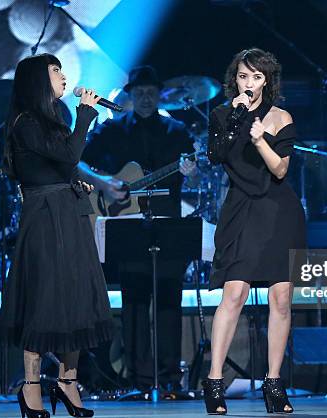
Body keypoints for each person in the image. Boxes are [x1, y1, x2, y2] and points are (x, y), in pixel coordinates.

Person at [0, 53, 114, 418]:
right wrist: (85, 113)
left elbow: (60, 165)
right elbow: (67, 155)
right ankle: (30, 388)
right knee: (44, 300)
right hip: (45, 219)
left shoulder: (52, 120)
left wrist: (69, 181)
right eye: (56, 70)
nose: (64, 76)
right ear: (37, 80)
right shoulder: (25, 122)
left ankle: (69, 382)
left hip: (69, 213)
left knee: (77, 298)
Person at [78, 65, 198, 391]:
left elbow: (195, 171)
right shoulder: (112, 130)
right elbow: (79, 161)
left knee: (169, 301)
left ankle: (171, 380)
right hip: (126, 226)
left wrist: (191, 172)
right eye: (139, 93)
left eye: (151, 92)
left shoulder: (178, 131)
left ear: (160, 95)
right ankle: (140, 380)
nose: (145, 98)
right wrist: (103, 185)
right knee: (133, 304)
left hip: (167, 224)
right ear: (131, 95)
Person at [203, 48, 306, 415]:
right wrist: (236, 119)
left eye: (257, 78)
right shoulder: (222, 114)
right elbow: (216, 155)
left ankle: (274, 383)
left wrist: (260, 138)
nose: (249, 84)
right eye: (244, 76)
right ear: (236, 79)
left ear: (268, 81)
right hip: (242, 210)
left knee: (281, 299)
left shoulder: (280, 117)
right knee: (234, 293)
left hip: (279, 211)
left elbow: (280, 171)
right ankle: (214, 381)